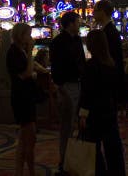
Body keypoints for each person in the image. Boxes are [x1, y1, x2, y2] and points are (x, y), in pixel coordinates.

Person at [79, 30, 126, 176]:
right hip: (109, 109)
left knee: (93, 148)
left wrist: (82, 114)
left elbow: (87, 93)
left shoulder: (90, 66)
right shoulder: (111, 64)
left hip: (94, 113)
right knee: (113, 148)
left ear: (91, 45)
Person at [50, 11, 85, 176]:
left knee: (80, 124)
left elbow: (81, 62)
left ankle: (75, 160)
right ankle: (63, 162)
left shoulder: (78, 40)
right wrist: (61, 87)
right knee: (67, 126)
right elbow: (56, 67)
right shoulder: (57, 42)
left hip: (79, 84)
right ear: (70, 24)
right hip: (66, 86)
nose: (80, 24)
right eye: (78, 22)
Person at [7, 22, 37, 176]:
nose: (30, 37)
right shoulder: (14, 52)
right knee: (28, 137)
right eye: (28, 34)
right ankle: (24, 171)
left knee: (27, 139)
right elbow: (26, 73)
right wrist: (31, 52)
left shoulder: (20, 51)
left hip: (26, 96)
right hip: (21, 98)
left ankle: (26, 171)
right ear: (20, 36)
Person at [93, 0, 128, 107]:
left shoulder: (109, 32)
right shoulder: (108, 30)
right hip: (111, 78)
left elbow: (109, 58)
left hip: (110, 79)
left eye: (95, 11)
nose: (93, 13)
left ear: (102, 12)